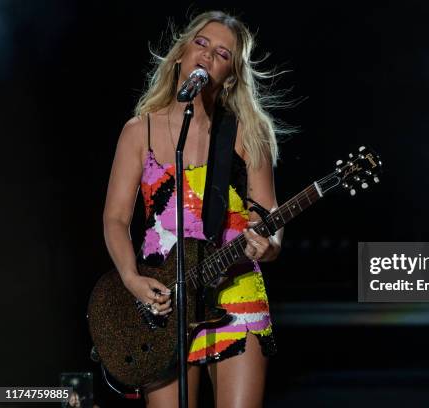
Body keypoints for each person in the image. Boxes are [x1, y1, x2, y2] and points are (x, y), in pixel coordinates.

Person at [103, 10, 285, 408]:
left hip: (234, 290)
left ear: (230, 74)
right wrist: (132, 278)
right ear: (181, 52)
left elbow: (268, 216)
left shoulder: (248, 132)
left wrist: (267, 244)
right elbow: (115, 219)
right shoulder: (140, 131)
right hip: (165, 299)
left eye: (222, 54)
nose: (207, 56)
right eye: (201, 43)